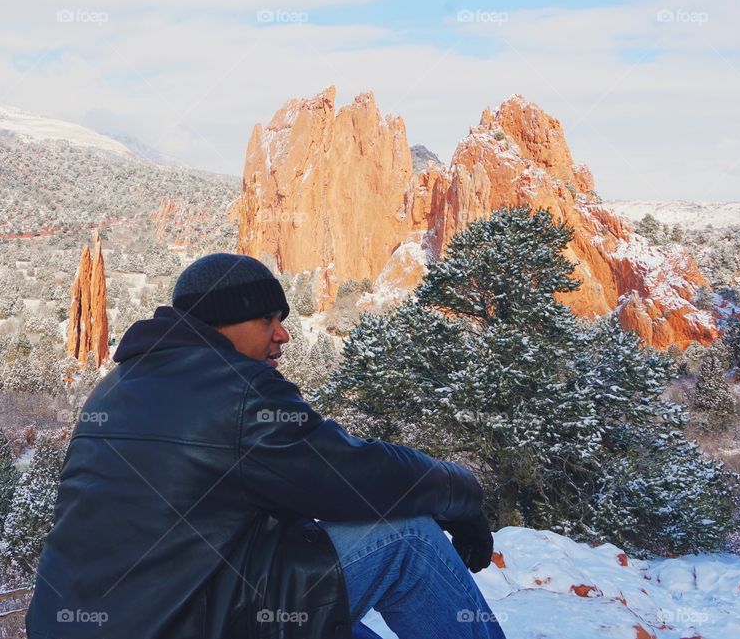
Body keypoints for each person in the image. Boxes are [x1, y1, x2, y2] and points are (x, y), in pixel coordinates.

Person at [27, 253, 507, 639]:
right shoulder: (235, 388)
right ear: (224, 321)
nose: (282, 334)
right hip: (186, 621)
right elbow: (356, 473)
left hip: (106, 619)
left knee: (332, 613)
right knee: (406, 538)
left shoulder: (118, 385)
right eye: (268, 319)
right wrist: (462, 495)